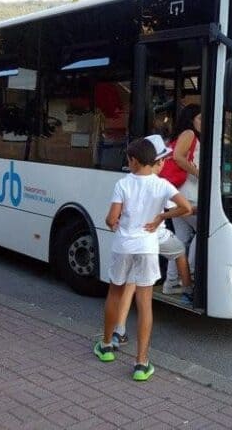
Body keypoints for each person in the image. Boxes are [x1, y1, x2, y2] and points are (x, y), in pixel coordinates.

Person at [94, 135, 191, 381]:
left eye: (128, 159)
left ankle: (106, 346)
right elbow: (185, 208)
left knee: (115, 294)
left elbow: (110, 218)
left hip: (124, 246)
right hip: (147, 247)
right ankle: (141, 363)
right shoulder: (162, 185)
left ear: (135, 161)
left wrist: (114, 223)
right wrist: (160, 218)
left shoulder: (123, 184)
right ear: (153, 161)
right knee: (145, 303)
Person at [163, 104, 201, 294]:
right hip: (188, 195)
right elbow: (178, 157)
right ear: (191, 119)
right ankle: (191, 275)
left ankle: (171, 282)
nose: (203, 123)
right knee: (204, 231)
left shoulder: (181, 134)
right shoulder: (189, 133)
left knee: (182, 238)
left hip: (177, 193)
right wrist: (199, 173)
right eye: (200, 119)